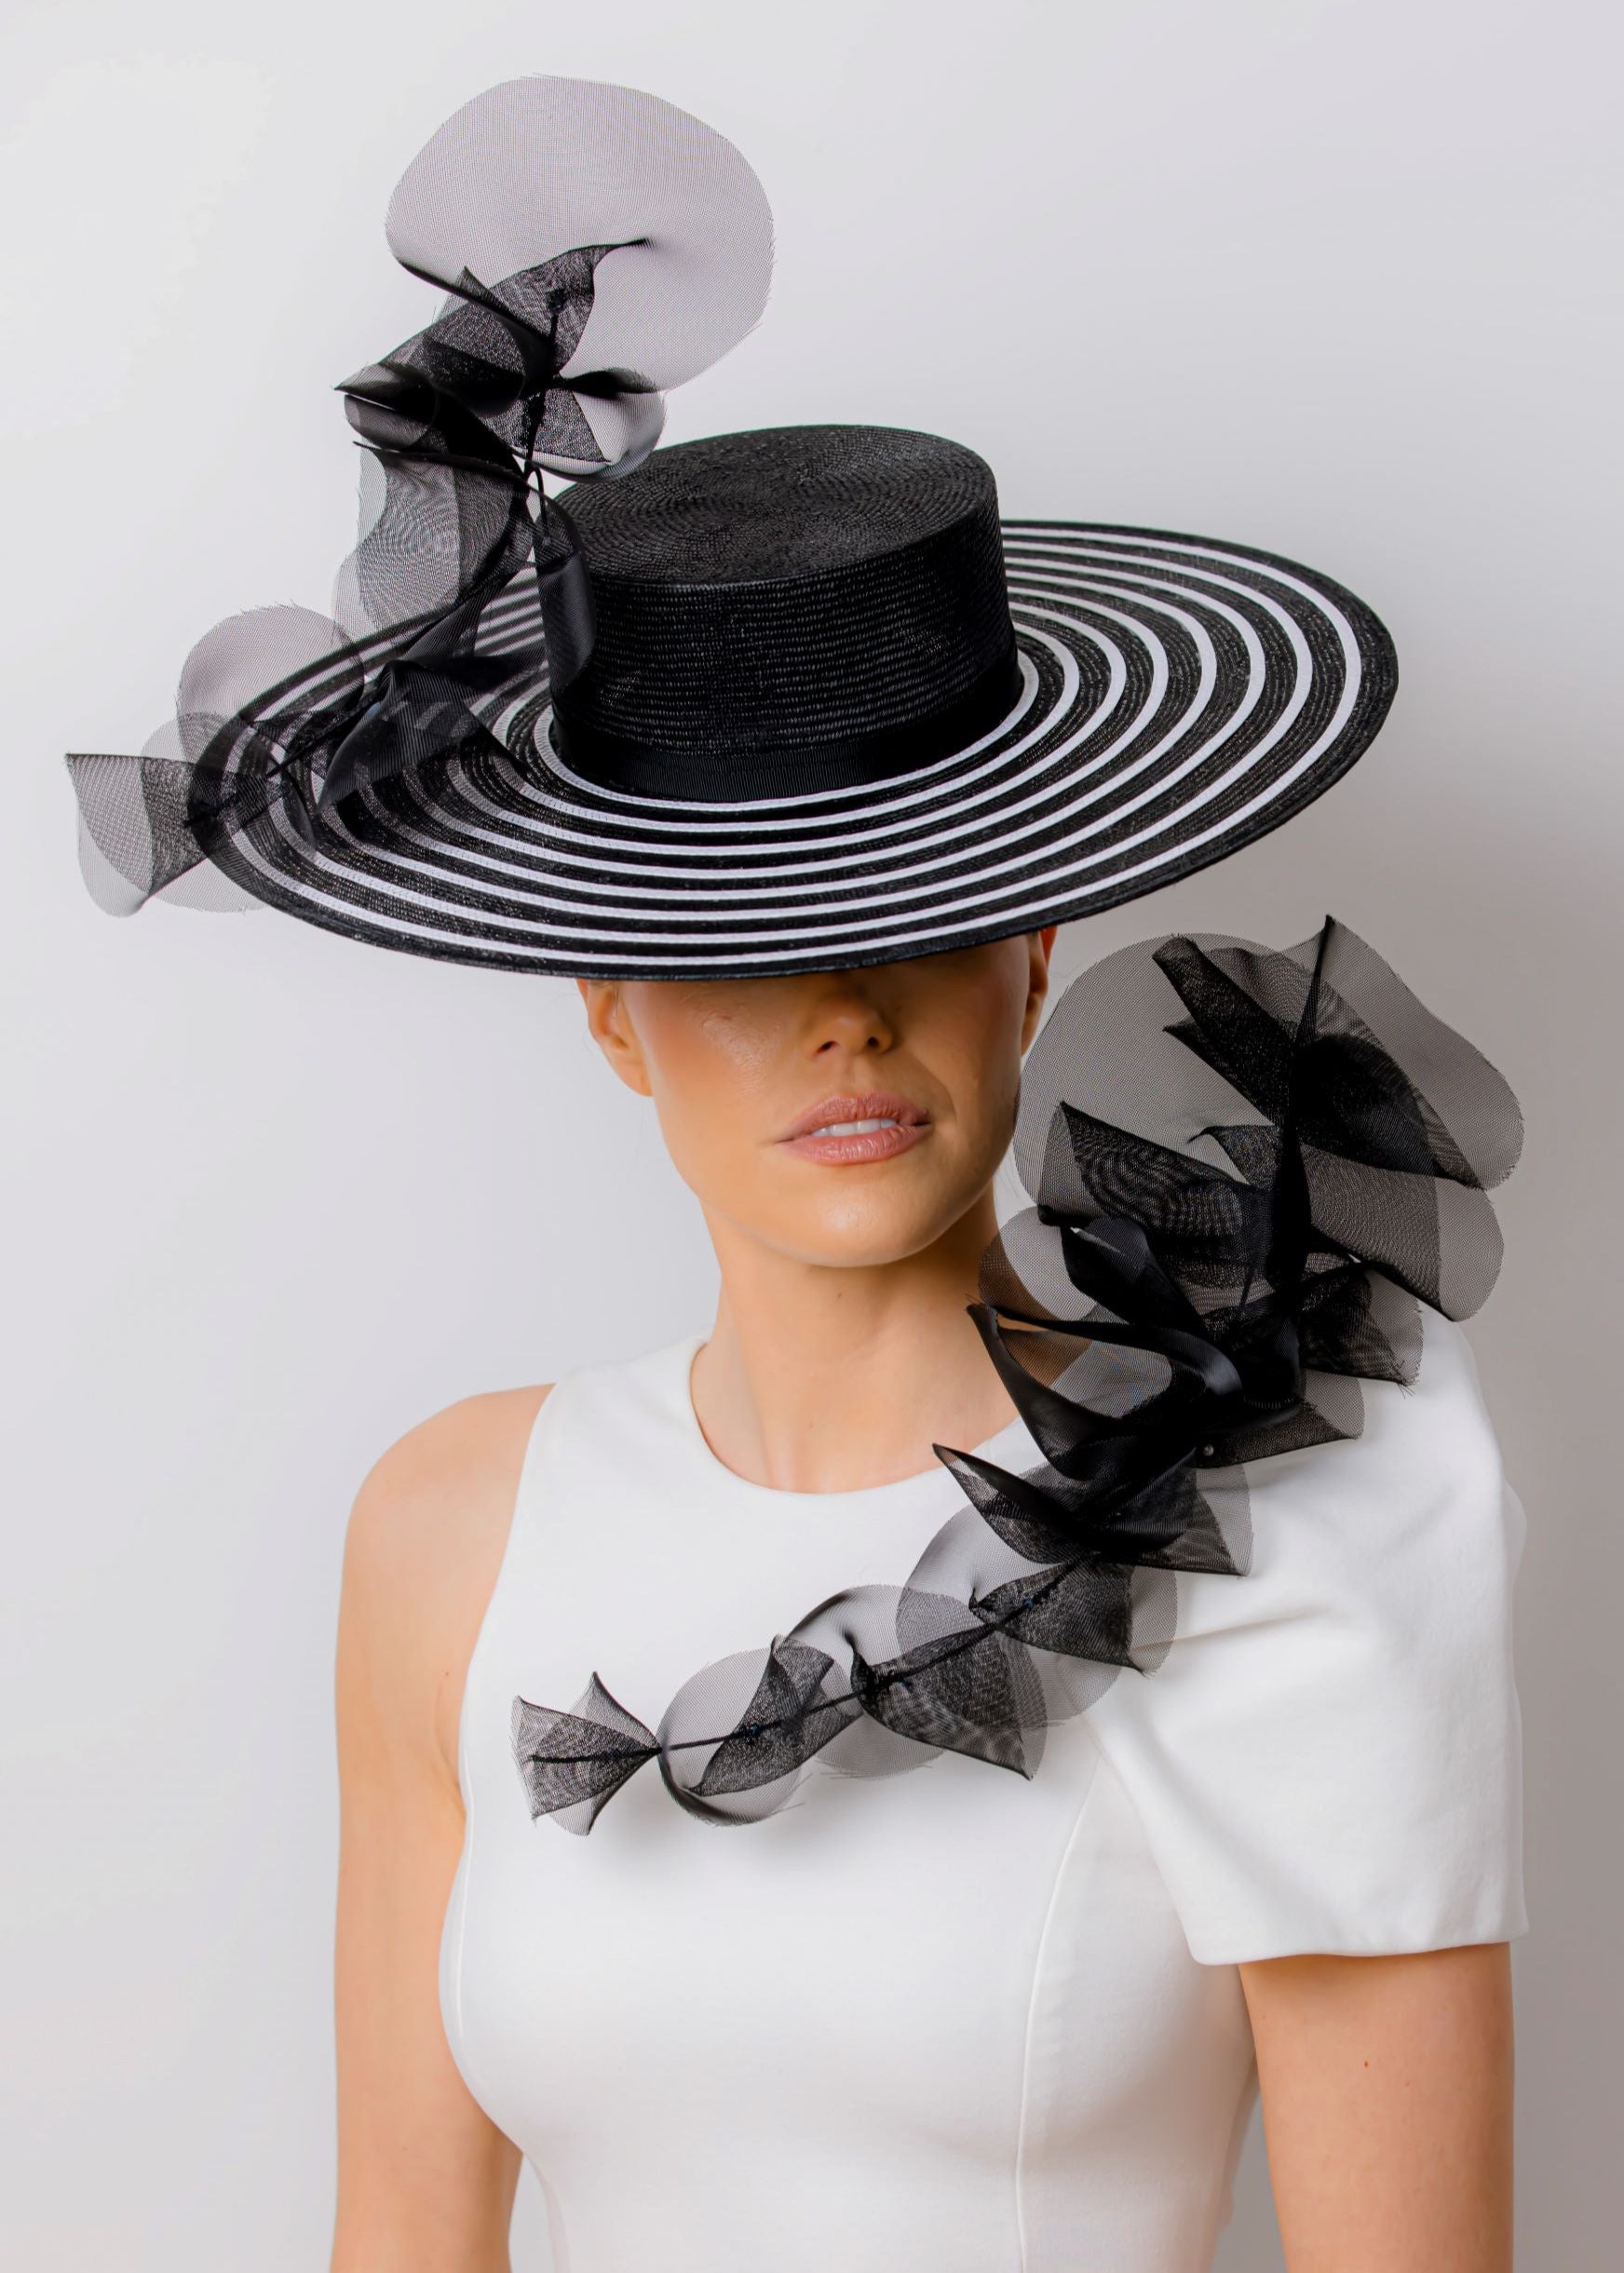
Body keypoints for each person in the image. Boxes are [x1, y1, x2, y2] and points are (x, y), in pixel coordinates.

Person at [64, 77, 1525, 2273]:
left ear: (1031, 949)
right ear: (604, 1006)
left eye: (921, 904)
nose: (839, 1007)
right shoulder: (449, 1531)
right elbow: (400, 2238)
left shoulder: (1292, 1507)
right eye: (728, 942)